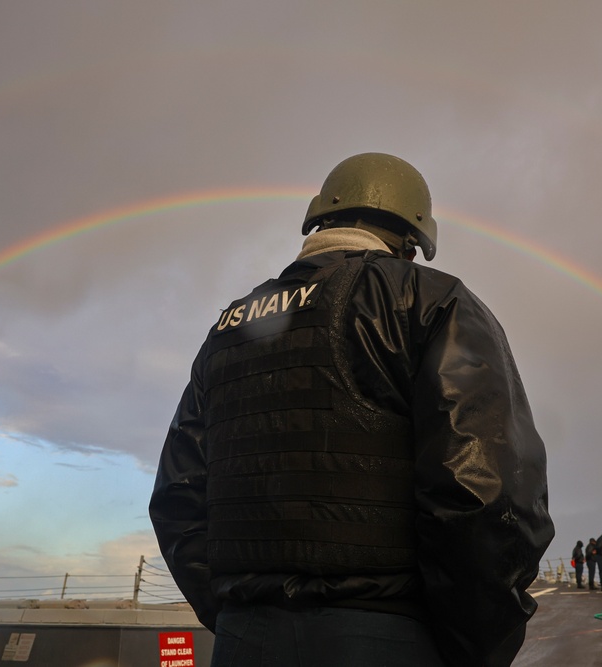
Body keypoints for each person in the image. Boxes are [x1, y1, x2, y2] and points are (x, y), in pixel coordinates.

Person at [149, 152, 555, 667]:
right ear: (411, 241)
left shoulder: (227, 332)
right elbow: (486, 493)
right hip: (387, 634)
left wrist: (235, 610)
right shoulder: (430, 300)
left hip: (243, 638)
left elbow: (177, 498)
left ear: (320, 219)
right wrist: (474, 644)